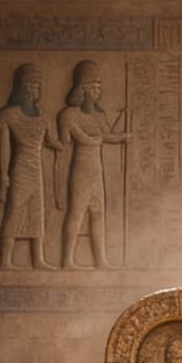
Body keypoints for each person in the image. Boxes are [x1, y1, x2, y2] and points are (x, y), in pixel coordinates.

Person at [56, 58, 129, 269]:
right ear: (84, 88)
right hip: (80, 168)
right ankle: (67, 259)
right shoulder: (69, 114)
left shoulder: (99, 114)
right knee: (77, 212)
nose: (98, 90)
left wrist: (124, 136)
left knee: (98, 212)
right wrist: (100, 138)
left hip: (97, 169)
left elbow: (107, 136)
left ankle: (100, 259)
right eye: (94, 86)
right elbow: (79, 139)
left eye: (100, 85)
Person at [0, 62, 59, 268]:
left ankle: (38, 259)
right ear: (20, 88)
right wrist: (3, 175)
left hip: (37, 167)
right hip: (20, 166)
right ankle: (5, 260)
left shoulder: (45, 116)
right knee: (15, 209)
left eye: (37, 85)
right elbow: (4, 149)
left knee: (37, 212)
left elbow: (53, 141)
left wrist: (62, 141)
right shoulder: (8, 115)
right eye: (29, 85)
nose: (34, 89)